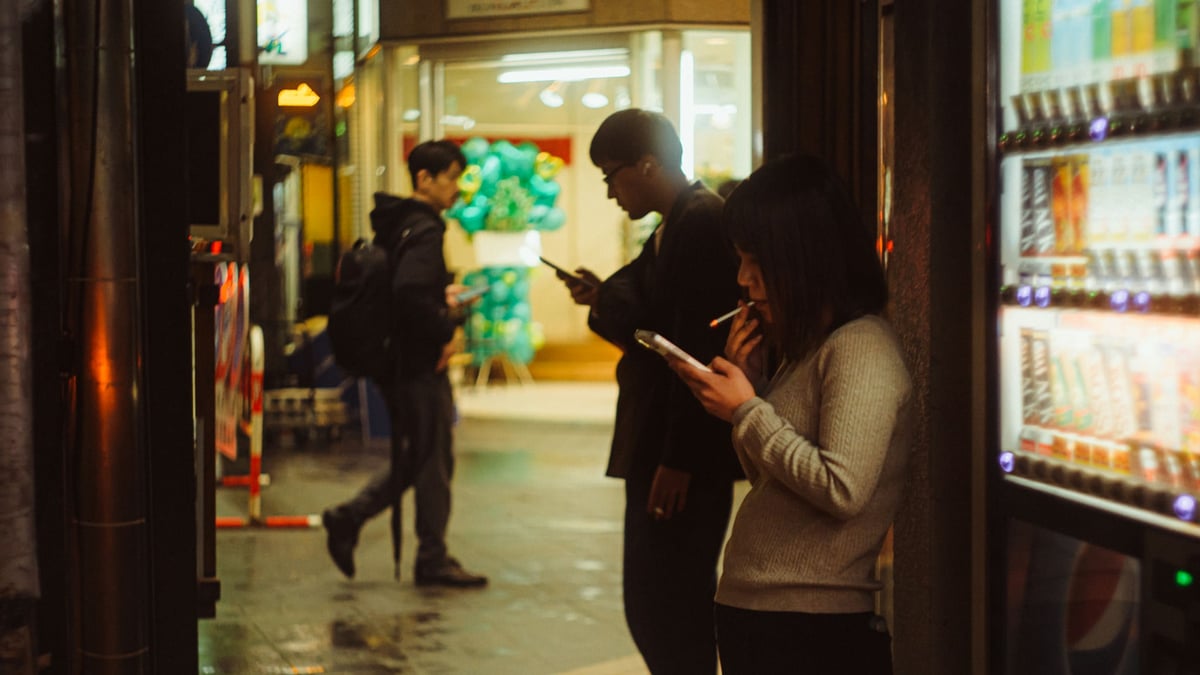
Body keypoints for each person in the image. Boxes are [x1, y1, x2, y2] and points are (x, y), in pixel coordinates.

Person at [665, 154, 913, 675]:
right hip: (766, 610)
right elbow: (771, 481)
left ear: (803, 257)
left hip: (811, 624)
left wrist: (748, 410)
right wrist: (752, 389)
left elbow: (842, 489)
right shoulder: (808, 347)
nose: (743, 279)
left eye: (754, 259)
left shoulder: (860, 346)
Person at [553, 109, 742, 674]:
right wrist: (601, 295)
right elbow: (652, 318)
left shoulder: (700, 222)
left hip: (678, 453)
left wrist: (678, 460)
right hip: (662, 443)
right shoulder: (673, 222)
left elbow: (690, 351)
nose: (609, 192)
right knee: (656, 601)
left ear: (648, 164)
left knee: (667, 604)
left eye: (611, 175)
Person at [322, 140, 487, 588]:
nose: (457, 188)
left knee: (418, 456)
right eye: (451, 177)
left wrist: (440, 299)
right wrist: (447, 321)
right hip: (417, 364)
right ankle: (428, 556)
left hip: (395, 360)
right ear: (424, 179)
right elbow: (410, 294)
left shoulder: (394, 223)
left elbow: (406, 290)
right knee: (432, 460)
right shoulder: (426, 228)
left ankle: (350, 518)